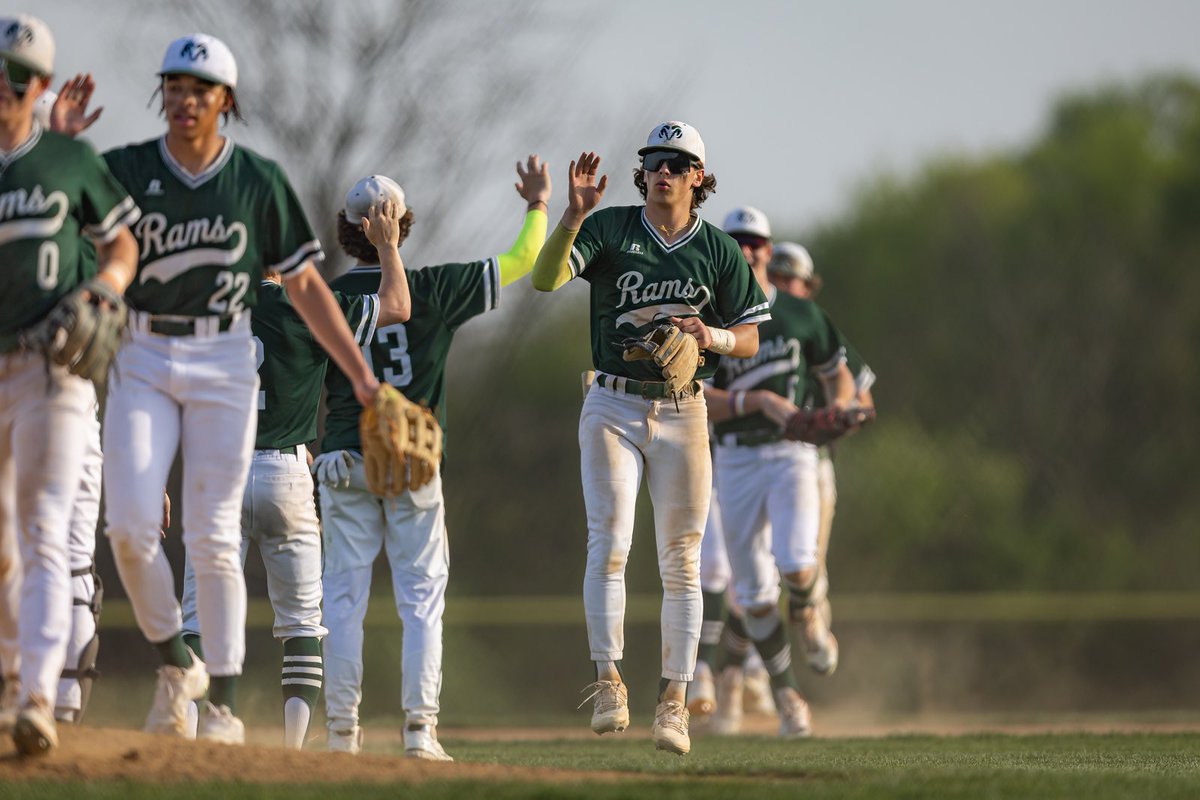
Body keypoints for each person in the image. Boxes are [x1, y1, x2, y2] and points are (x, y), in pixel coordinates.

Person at [92, 33, 387, 745]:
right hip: (144, 348)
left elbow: (308, 283)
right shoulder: (127, 169)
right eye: (173, 86)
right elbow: (78, 224)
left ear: (225, 101)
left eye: (198, 89)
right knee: (129, 529)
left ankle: (219, 705)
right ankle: (175, 664)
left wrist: (359, 374)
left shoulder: (256, 179)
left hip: (220, 356)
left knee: (215, 538)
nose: (183, 100)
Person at [531, 122, 769, 755]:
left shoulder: (717, 249)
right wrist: (573, 216)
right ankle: (609, 681)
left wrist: (708, 336)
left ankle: (673, 701)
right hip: (612, 400)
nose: (661, 170)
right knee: (609, 542)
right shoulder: (610, 228)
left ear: (698, 176)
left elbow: (749, 334)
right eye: (653, 161)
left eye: (676, 161)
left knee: (681, 560)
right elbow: (545, 279)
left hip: (685, 411)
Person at [318, 156, 551, 761]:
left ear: (349, 231)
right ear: (404, 224)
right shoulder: (439, 288)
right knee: (420, 600)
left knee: (343, 597)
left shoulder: (324, 297)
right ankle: (420, 733)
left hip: (344, 455)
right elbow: (526, 259)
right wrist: (537, 205)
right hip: (414, 462)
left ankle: (342, 734)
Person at [177, 191, 413, 748]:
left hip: (217, 473)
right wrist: (387, 246)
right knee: (303, 622)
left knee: (199, 617)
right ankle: (291, 754)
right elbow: (398, 305)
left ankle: (183, 742)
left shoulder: (207, 313)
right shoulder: (309, 308)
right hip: (286, 473)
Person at [0, 13, 140, 755]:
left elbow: (122, 239)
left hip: (48, 369)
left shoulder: (67, 160)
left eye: (15, 78)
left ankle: (35, 700)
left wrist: (110, 286)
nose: (2, 89)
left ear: (39, 85)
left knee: (48, 535)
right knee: (4, 545)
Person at [703, 210, 858, 738]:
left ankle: (811, 615)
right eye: (737, 243)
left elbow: (841, 377)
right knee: (753, 592)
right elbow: (695, 397)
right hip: (735, 458)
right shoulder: (710, 315)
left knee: (797, 562)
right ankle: (787, 695)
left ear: (769, 250)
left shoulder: (798, 313)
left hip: (793, 452)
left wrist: (838, 411)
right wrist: (759, 401)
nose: (747, 251)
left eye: (756, 243)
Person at [768, 242, 875, 657]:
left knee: (807, 563)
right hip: (748, 457)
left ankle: (811, 626)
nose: (783, 285)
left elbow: (862, 400)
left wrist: (837, 418)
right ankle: (751, 676)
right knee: (752, 576)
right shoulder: (749, 325)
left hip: (809, 463)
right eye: (776, 277)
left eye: (791, 278)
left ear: (808, 286)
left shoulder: (817, 328)